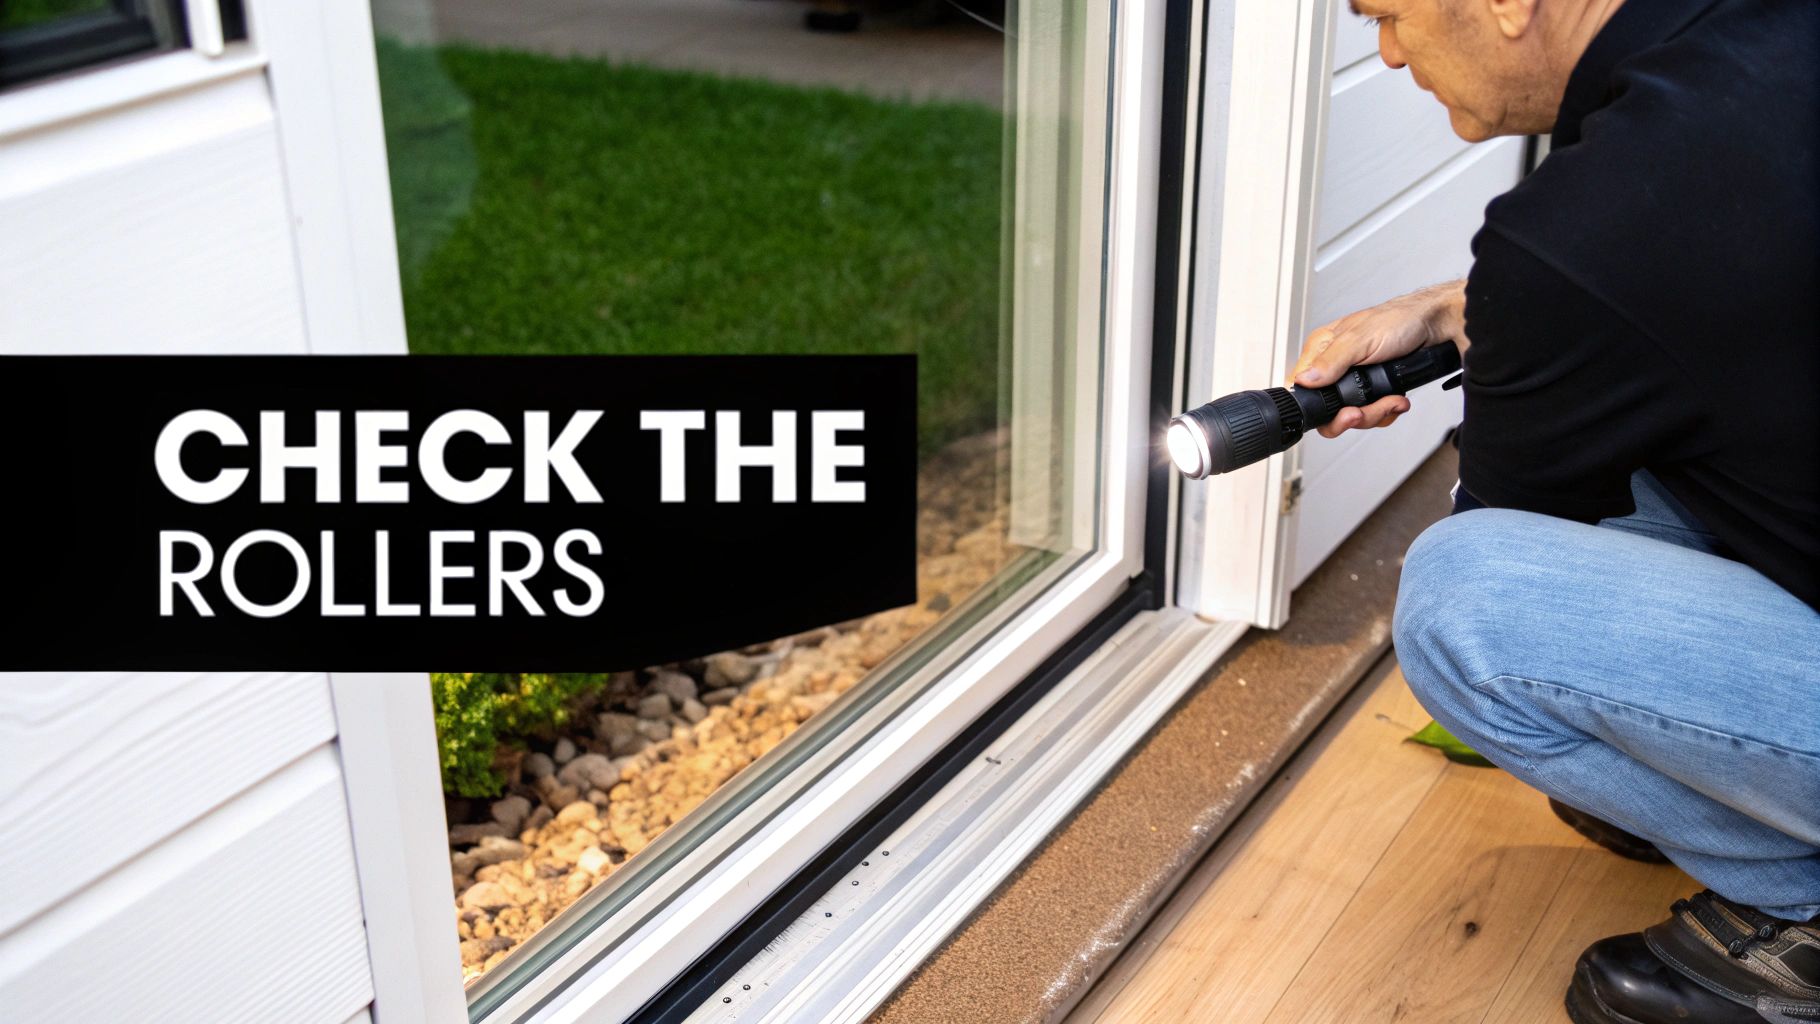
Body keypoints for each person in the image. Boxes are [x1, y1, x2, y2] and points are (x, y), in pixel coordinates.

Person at [1288, 0, 1820, 1020]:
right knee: (1662, 456)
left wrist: (1523, 302)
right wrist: (1463, 307)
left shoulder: (1592, 223)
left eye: (1387, 15)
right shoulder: (1757, 47)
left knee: (1465, 604)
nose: (1389, 53)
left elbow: (1520, 538)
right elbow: (1700, 262)